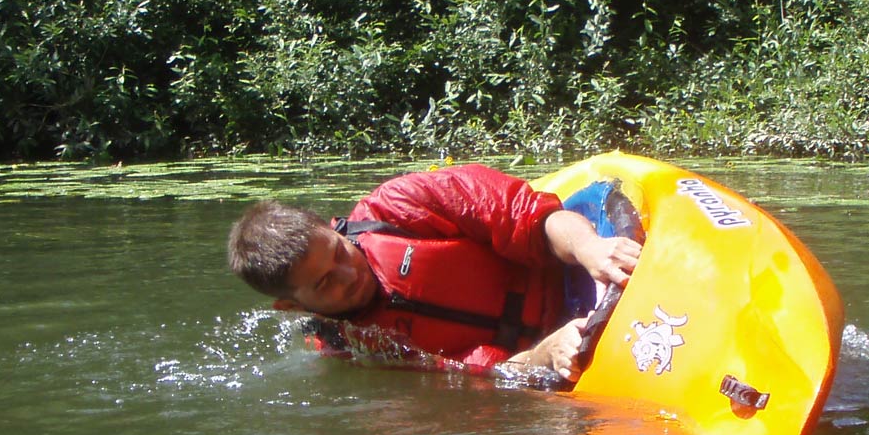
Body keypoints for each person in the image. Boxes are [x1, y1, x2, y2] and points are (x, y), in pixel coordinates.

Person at [227, 163, 642, 382]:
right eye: (324, 283)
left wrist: (591, 248)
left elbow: (522, 213)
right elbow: (475, 378)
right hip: (543, 346)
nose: (347, 272)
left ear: (329, 228)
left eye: (338, 251)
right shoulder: (350, 351)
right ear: (291, 306)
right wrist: (544, 355)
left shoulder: (398, 205)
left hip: (569, 270)